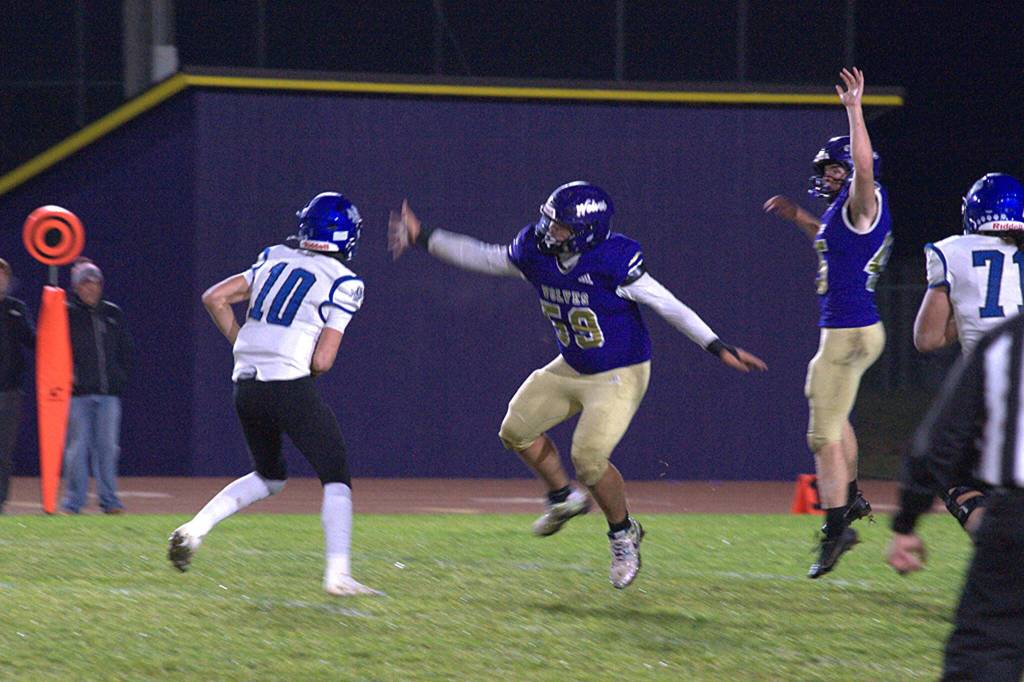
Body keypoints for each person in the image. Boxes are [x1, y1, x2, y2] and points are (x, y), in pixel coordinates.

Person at [388, 180, 767, 589]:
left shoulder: (612, 260)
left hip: (619, 372)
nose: (550, 232)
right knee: (515, 431)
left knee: (588, 458)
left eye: (562, 227)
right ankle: (562, 498)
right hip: (572, 365)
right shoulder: (535, 252)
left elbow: (667, 304)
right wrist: (423, 236)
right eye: (551, 221)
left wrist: (716, 345)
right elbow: (484, 256)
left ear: (586, 232)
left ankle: (623, 533)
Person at [168, 192, 379, 598]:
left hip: (245, 384)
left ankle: (194, 529)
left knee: (269, 476)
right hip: (288, 384)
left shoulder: (273, 256)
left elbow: (214, 297)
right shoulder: (345, 282)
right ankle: (338, 575)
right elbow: (323, 359)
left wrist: (240, 340)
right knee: (335, 474)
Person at [763, 67, 894, 578]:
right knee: (836, 418)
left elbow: (863, 168)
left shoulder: (864, 197)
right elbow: (833, 239)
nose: (828, 176)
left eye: (834, 170)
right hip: (861, 328)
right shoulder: (847, 212)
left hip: (847, 331)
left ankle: (838, 527)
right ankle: (854, 498)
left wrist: (855, 110)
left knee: (822, 436)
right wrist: (798, 217)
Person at [887, 314, 1024, 681]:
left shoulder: (1003, 343)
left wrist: (906, 523)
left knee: (986, 649)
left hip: (1015, 519)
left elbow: (940, 441)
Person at [903, 173, 1024, 537]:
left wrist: (964, 307)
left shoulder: (951, 251)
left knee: (952, 475)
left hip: (997, 388)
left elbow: (927, 338)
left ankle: (1000, 554)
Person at [61, 259, 134, 514]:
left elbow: (126, 349)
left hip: (108, 394)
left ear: (100, 285)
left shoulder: (112, 312)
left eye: (94, 283)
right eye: (84, 284)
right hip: (77, 395)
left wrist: (119, 378)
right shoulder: (65, 313)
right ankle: (73, 502)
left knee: (108, 449)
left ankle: (109, 500)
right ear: (76, 287)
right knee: (77, 450)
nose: (90, 288)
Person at [0, 258, 35, 514]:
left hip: (10, 391)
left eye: (3, 276)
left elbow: (33, 340)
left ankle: (0, 501)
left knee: (4, 451)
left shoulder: (17, 308)